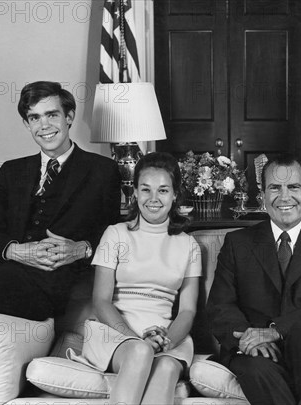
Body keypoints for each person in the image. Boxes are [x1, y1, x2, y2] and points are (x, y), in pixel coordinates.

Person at [206, 155, 301, 405]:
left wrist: (275, 331)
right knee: (254, 369)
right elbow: (221, 306)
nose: (284, 197)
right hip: (254, 349)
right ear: (262, 194)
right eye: (275, 187)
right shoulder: (237, 243)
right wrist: (248, 340)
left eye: (293, 187)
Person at [66, 152, 202, 404]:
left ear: (174, 195)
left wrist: (164, 341)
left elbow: (187, 311)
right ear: (135, 193)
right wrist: (135, 339)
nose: (153, 199)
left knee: (167, 368)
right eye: (145, 189)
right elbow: (101, 301)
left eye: (162, 190)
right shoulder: (115, 234)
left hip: (166, 335)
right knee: (140, 351)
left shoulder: (189, 245)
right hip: (115, 333)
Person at [0, 81, 120, 321]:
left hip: (56, 283)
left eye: (51, 115)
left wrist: (82, 248)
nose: (44, 126)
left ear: (69, 117)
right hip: (6, 273)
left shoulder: (103, 170)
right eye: (35, 118)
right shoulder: (11, 171)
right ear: (27, 124)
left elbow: (116, 234)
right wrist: (13, 250)